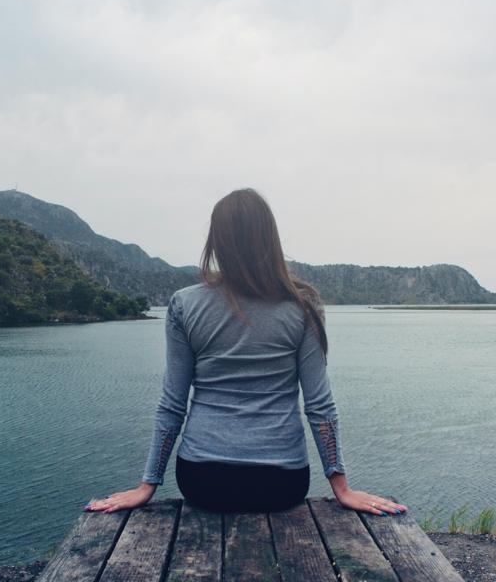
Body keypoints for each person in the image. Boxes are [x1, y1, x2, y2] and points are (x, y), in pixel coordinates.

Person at [85, 188, 408, 516]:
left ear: (217, 241)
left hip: (201, 480)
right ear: (269, 238)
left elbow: (172, 404)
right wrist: (342, 487)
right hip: (282, 484)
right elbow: (320, 406)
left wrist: (147, 485)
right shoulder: (303, 306)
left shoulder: (185, 304)